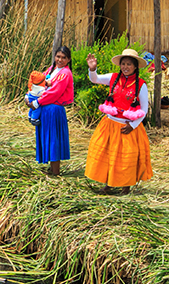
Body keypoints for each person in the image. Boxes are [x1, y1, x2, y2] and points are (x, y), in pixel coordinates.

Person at [85, 48, 152, 194]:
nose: (125, 67)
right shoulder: (113, 77)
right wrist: (93, 69)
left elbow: (144, 110)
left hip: (127, 127)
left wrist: (133, 126)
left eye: (129, 64)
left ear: (135, 66)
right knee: (107, 154)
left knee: (125, 159)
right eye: (123, 64)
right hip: (109, 124)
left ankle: (125, 187)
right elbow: (95, 79)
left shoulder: (141, 85)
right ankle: (108, 185)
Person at [29, 46, 74, 177]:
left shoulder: (65, 73)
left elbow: (55, 92)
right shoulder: (52, 69)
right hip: (46, 108)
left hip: (54, 109)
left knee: (53, 138)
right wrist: (30, 95)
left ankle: (56, 172)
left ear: (68, 59)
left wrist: (36, 102)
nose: (60, 59)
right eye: (58, 56)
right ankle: (51, 169)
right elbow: (40, 82)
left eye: (63, 57)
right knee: (47, 137)